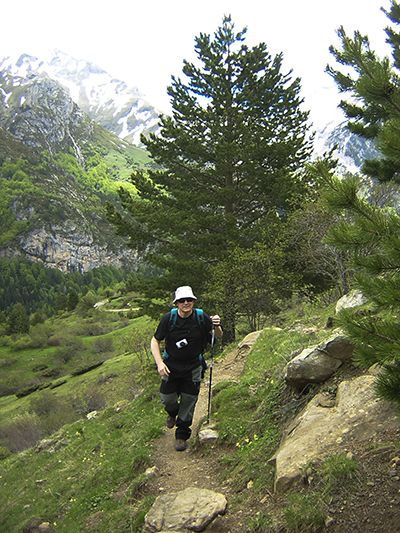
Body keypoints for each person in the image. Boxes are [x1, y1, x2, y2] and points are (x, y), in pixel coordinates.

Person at [150, 286, 223, 451]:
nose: (186, 303)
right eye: (182, 300)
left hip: (193, 366)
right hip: (171, 365)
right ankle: (171, 412)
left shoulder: (200, 317)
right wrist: (160, 363)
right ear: (176, 303)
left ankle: (182, 435)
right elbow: (155, 341)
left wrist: (216, 325)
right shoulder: (169, 319)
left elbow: (217, 335)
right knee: (167, 398)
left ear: (193, 301)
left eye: (189, 300)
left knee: (189, 401)